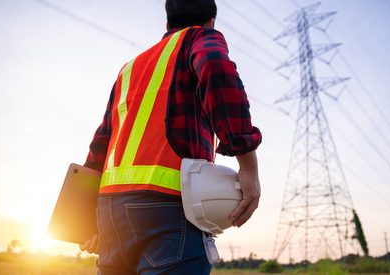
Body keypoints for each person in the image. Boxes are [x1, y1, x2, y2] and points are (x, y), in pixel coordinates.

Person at [80, 0, 262, 274]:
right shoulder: (199, 38)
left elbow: (101, 142)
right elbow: (214, 64)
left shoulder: (128, 69)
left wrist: (84, 216)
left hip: (111, 211)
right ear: (211, 21)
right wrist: (248, 165)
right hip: (169, 204)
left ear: (167, 24)